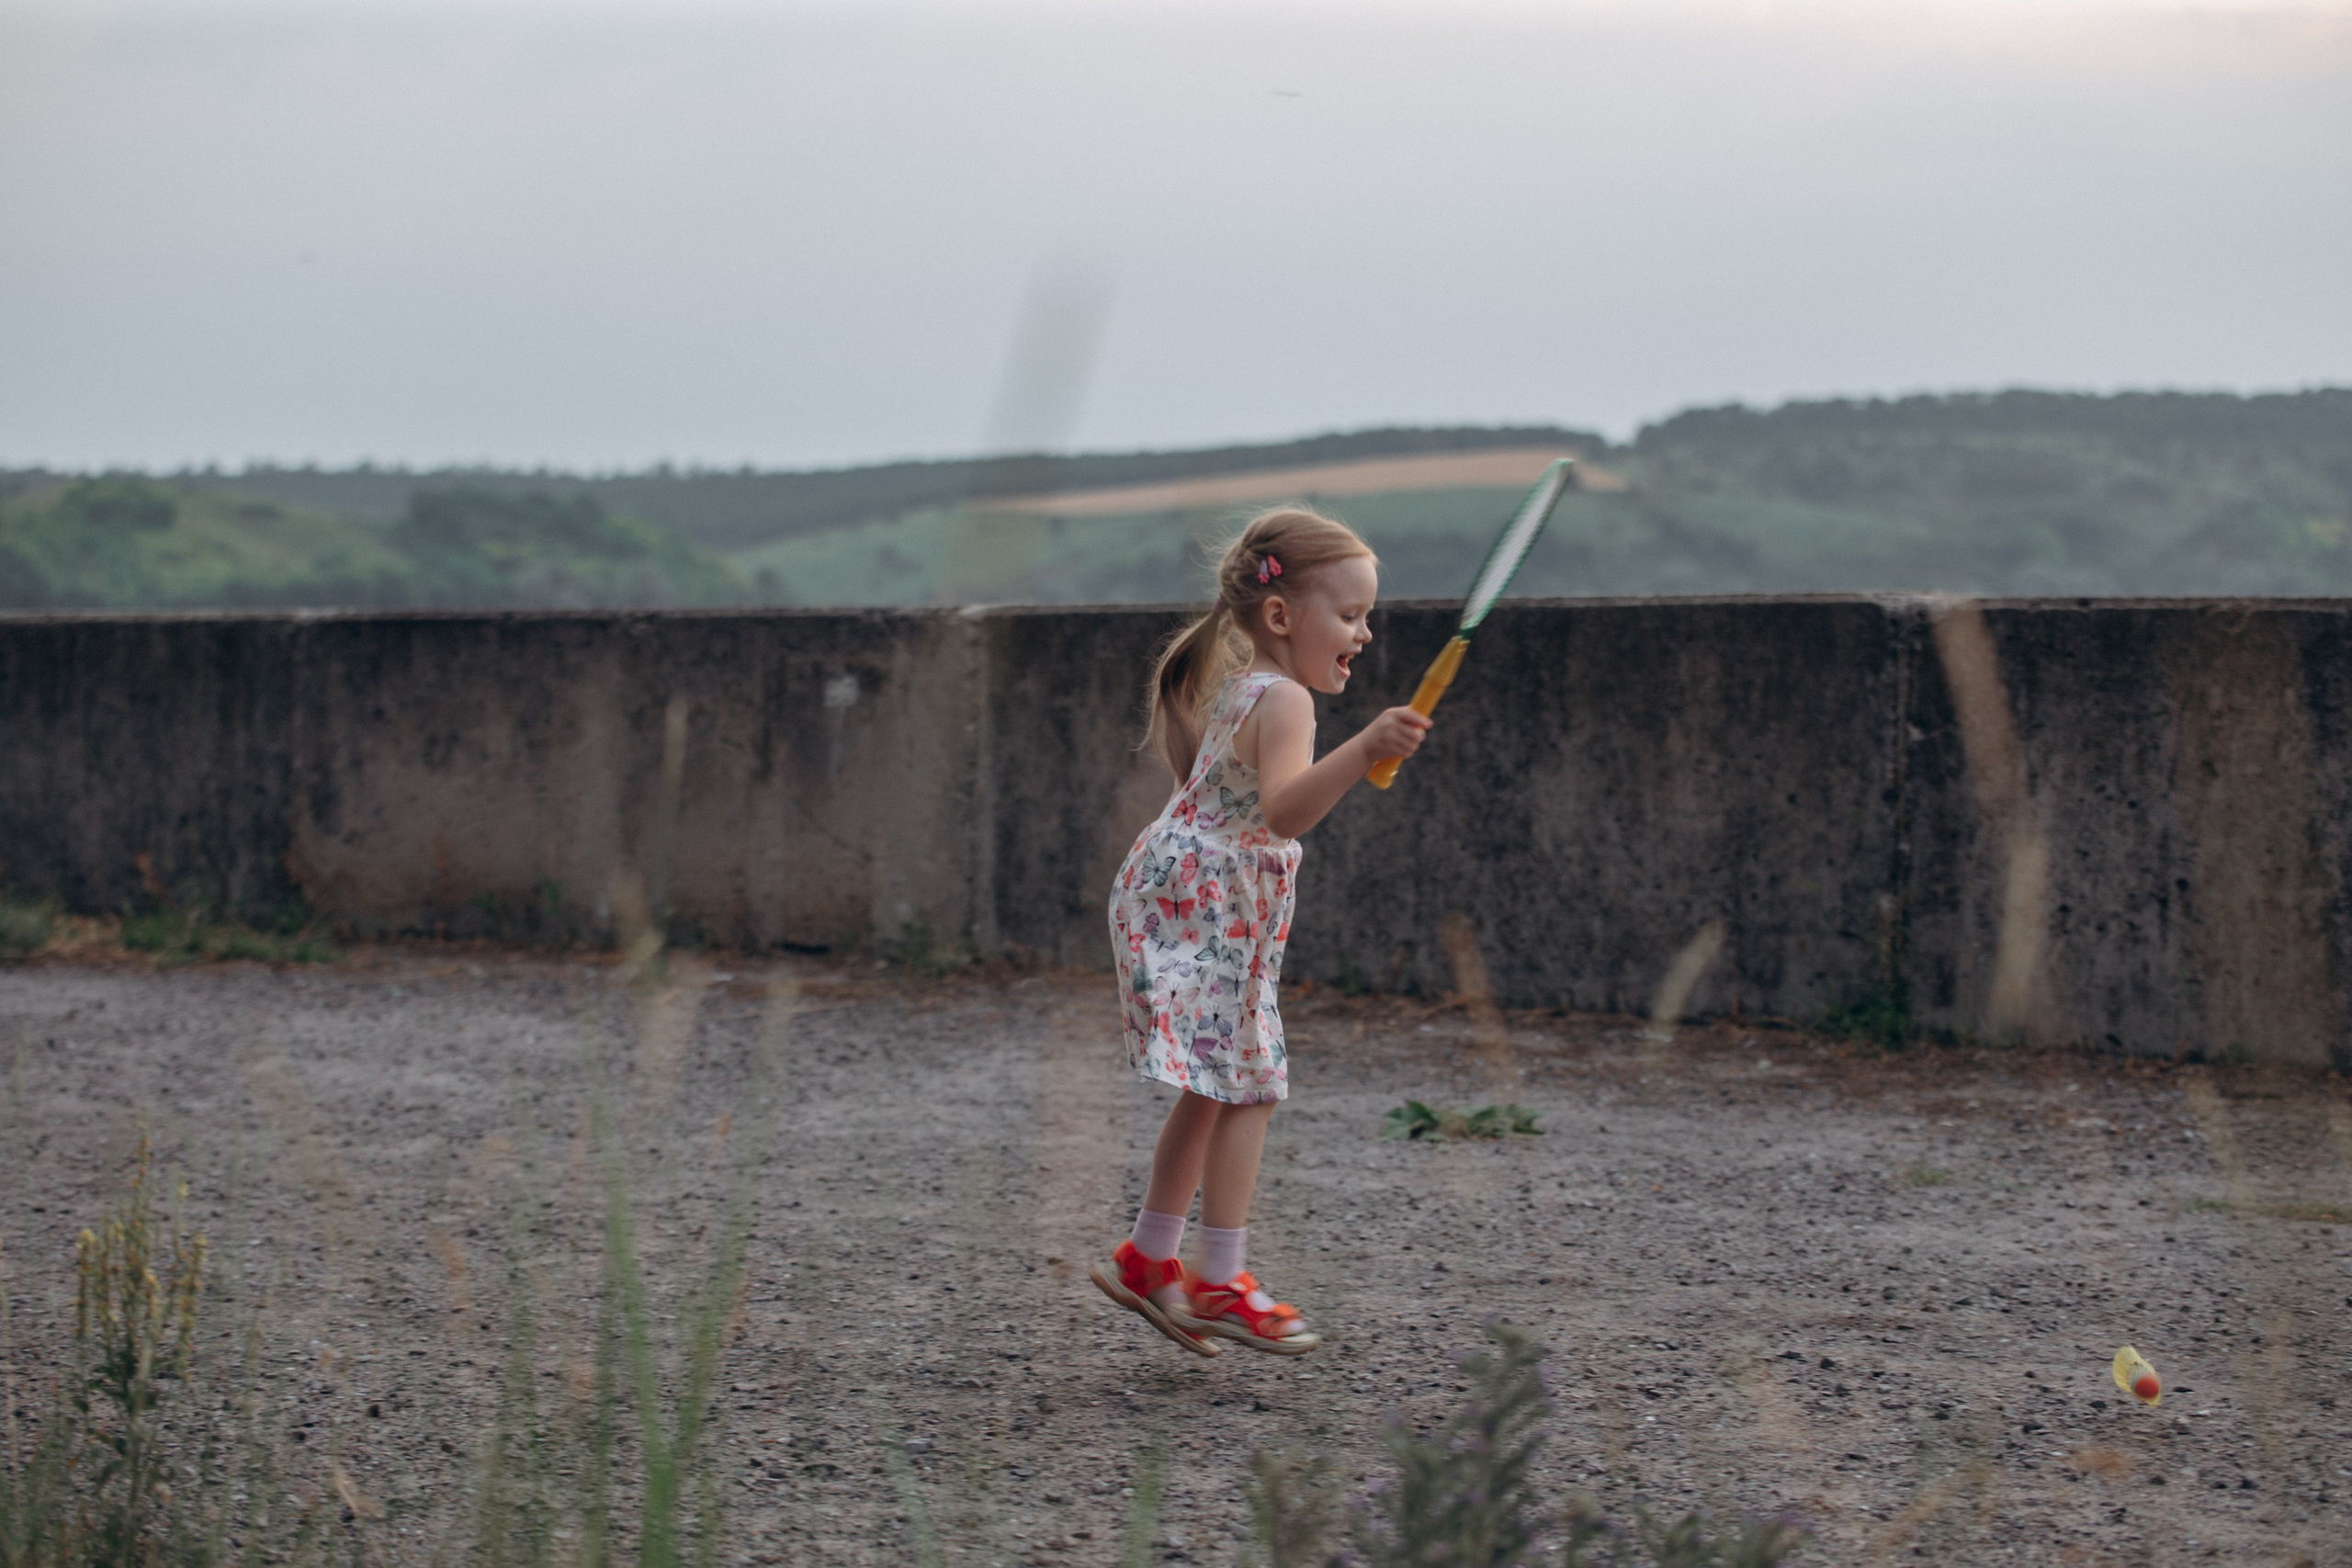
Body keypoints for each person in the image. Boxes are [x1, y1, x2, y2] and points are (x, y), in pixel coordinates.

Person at [1090, 507, 1430, 1356]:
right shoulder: (1285, 700)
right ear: (1282, 616)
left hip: (1182, 895)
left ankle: (1148, 1255)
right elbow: (1283, 812)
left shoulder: (1250, 687)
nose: (1366, 630)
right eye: (1349, 614)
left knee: (1216, 1082)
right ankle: (1218, 1277)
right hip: (1204, 906)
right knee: (1251, 1083)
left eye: (1366, 613)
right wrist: (1362, 749)